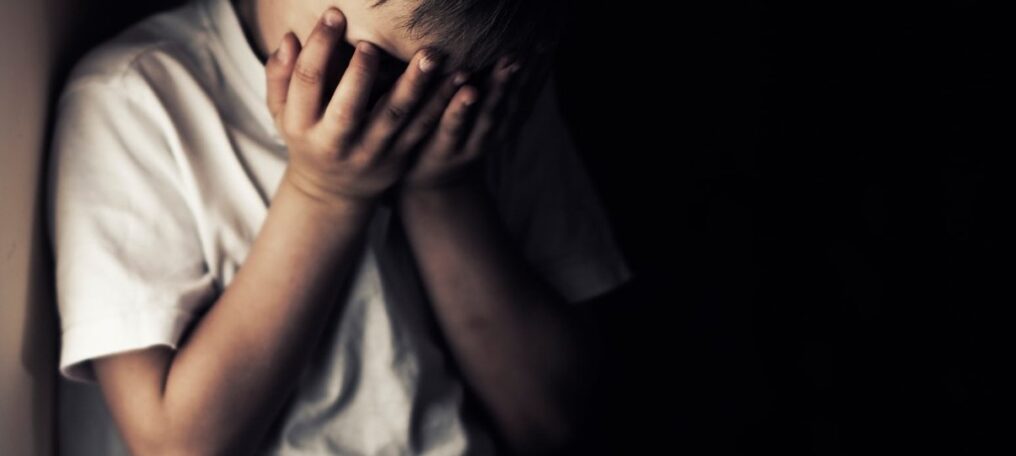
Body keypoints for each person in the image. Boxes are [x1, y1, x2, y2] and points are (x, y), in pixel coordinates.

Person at [46, 0, 634, 454]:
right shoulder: (134, 100)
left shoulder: (492, 101)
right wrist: (325, 192)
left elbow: (553, 421)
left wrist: (444, 189)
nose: (405, 107)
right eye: (368, 67)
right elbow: (175, 445)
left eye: (438, 85)